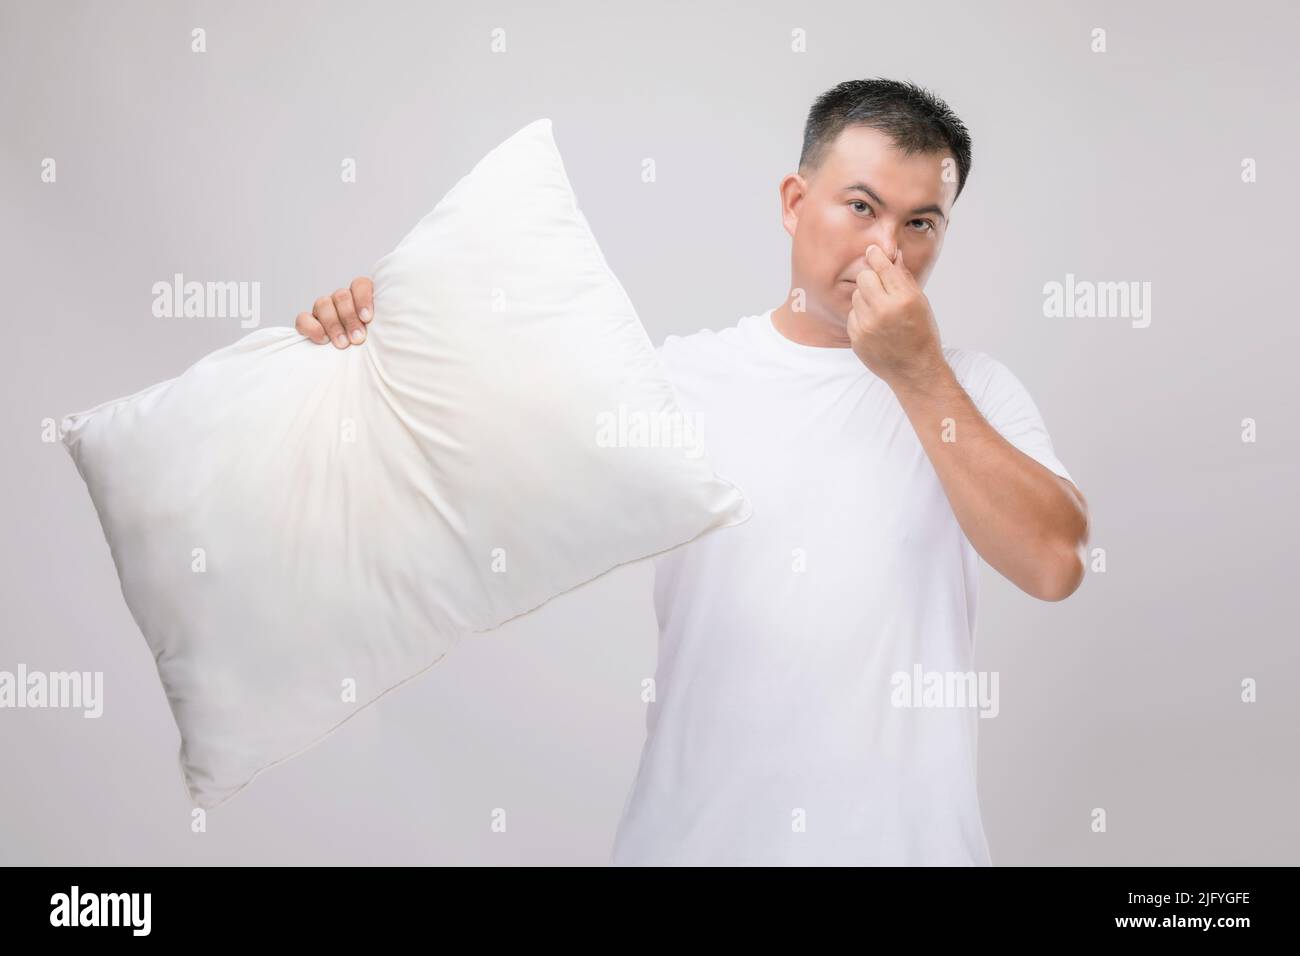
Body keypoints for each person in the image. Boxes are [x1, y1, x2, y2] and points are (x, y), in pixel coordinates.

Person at [295, 78, 1090, 866]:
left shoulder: (973, 390)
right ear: (793, 202)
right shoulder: (677, 384)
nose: (888, 248)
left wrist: (916, 373)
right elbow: (471, 477)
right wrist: (381, 342)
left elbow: (1055, 562)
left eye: (921, 222)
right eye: (860, 206)